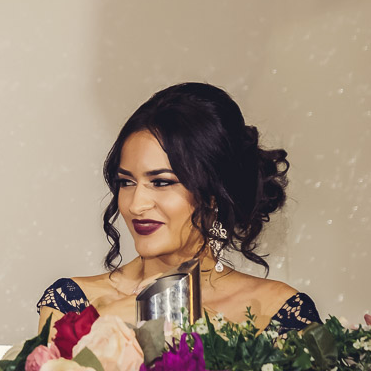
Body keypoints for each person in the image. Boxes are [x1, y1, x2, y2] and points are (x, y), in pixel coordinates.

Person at [37, 82, 319, 333]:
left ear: (213, 193)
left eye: (161, 182)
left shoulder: (278, 312)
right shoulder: (73, 306)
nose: (136, 205)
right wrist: (104, 325)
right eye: (126, 182)